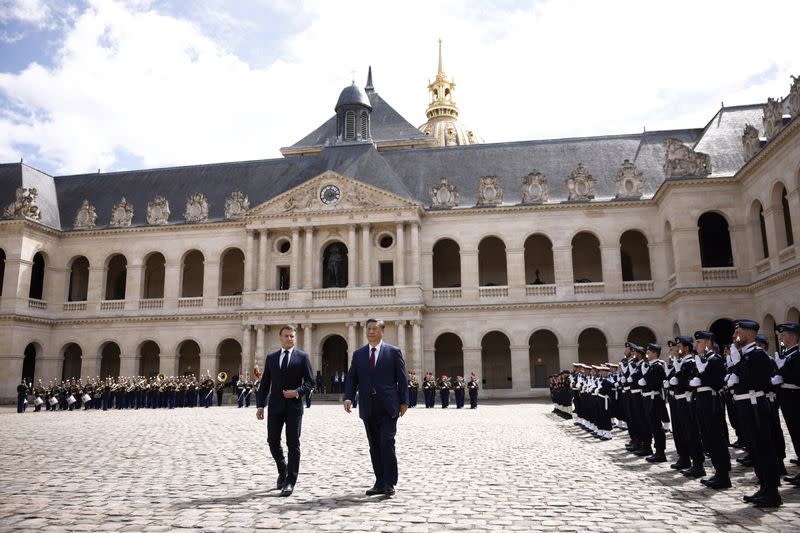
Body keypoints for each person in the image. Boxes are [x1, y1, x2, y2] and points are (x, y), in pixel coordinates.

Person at [344, 318, 408, 497]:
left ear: (382, 331)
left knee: (387, 442)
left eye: (374, 328)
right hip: (368, 406)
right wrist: (348, 397)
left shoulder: (393, 352)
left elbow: (402, 379)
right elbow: (352, 378)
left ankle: (390, 482)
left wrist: (404, 401)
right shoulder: (359, 354)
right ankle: (379, 481)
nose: (370, 331)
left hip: (389, 406)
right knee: (374, 446)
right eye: (368, 329)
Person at [255, 325, 314, 497]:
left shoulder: (302, 357)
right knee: (272, 441)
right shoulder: (271, 357)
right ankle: (283, 469)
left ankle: (290, 481)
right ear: (280, 338)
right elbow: (265, 383)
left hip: (294, 407)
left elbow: (311, 382)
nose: (289, 339)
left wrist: (297, 392)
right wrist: (260, 405)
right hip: (275, 407)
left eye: (292, 336)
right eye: (286, 336)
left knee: (293, 444)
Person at [728, 319, 782, 507]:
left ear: (750, 334)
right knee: (755, 448)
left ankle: (772, 491)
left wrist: (738, 366)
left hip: (755, 406)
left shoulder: (758, 355)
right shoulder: (744, 355)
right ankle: (764, 487)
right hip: (745, 406)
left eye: (738, 332)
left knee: (764, 448)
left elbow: (754, 380)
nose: (735, 336)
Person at [773, 322, 800, 486]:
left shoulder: (796, 354)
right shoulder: (786, 354)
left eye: (783, 335)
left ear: (793, 336)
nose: (781, 337)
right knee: (794, 433)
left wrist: (783, 373)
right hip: (787, 397)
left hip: (795, 396)